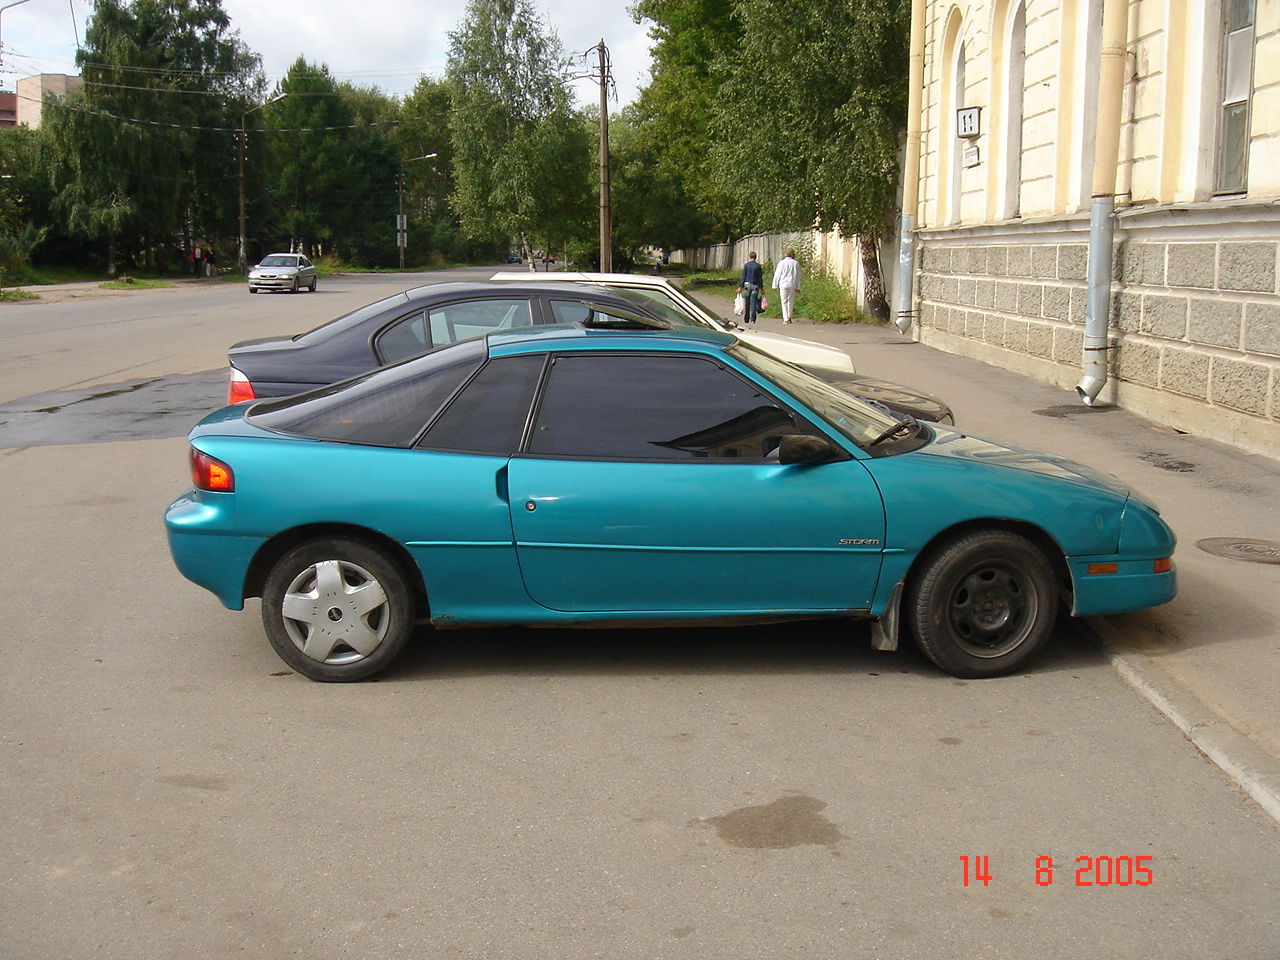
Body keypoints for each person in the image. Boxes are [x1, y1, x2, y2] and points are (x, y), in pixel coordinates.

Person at [771, 248, 801, 324]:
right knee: (790, 301)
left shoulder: (781, 263)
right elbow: (797, 276)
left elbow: (777, 274)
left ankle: (785, 318)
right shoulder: (795, 263)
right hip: (792, 284)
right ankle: (789, 317)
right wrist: (798, 287)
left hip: (783, 284)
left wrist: (775, 284)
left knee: (784, 301)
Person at [739, 251, 764, 326]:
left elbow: (743, 276)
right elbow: (760, 278)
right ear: (756, 257)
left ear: (749, 257)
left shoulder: (746, 265)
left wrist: (740, 286)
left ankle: (746, 318)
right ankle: (753, 319)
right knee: (754, 302)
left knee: (747, 302)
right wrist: (762, 288)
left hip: (747, 285)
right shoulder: (758, 266)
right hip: (755, 285)